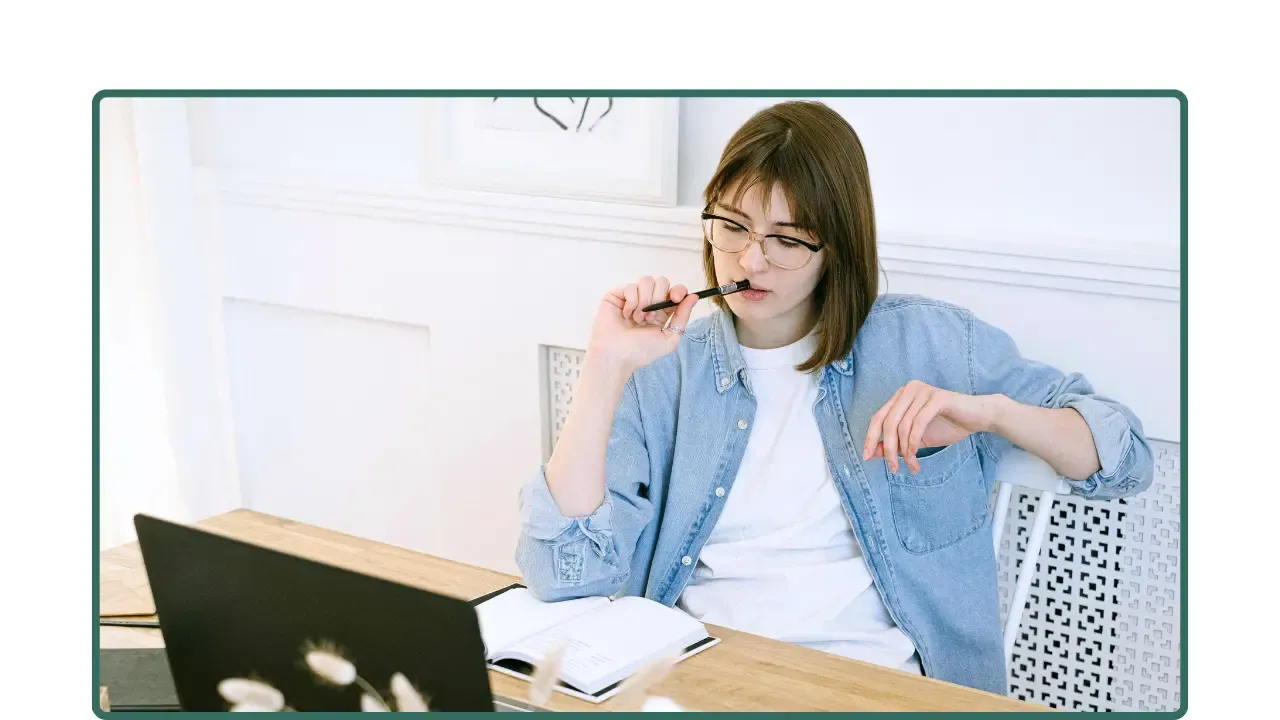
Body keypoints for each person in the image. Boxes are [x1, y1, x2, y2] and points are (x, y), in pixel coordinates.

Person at [514, 100, 1154, 695]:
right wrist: (604, 367)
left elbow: (1124, 458)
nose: (750, 261)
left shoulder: (931, 342)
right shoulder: (664, 368)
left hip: (876, 684)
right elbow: (564, 573)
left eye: (787, 240)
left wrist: (992, 413)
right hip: (701, 674)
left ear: (837, 247)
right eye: (731, 227)